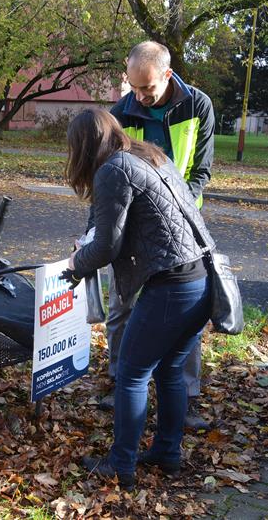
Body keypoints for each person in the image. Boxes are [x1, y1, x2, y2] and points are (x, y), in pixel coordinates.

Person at [61, 108, 214, 489]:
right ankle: (167, 452)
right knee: (169, 372)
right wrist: (89, 244)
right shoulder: (149, 156)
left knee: (131, 374)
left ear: (83, 145)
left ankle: (121, 464)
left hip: (172, 288)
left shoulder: (113, 169)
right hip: (202, 279)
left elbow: (108, 246)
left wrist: (74, 265)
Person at [99, 41, 215, 430]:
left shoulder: (197, 105)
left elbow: (202, 169)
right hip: (133, 228)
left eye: (147, 88)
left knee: (184, 316)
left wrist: (178, 204)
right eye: (134, 87)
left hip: (181, 229)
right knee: (121, 307)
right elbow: (108, 180)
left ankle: (187, 396)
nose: (141, 96)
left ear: (167, 74)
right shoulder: (122, 112)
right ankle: (121, 384)